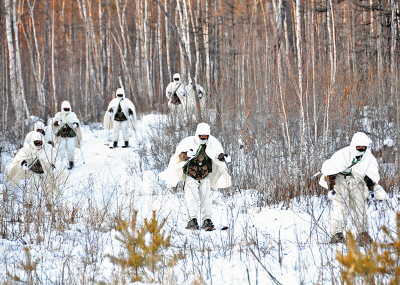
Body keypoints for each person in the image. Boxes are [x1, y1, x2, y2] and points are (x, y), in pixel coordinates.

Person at [159, 123, 232, 230]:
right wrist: (187, 154)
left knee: (206, 198)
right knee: (191, 199)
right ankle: (192, 220)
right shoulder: (187, 142)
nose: (203, 138)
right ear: (197, 134)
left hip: (205, 175)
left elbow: (217, 154)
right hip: (190, 175)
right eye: (201, 136)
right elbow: (179, 156)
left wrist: (224, 157)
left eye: (205, 136)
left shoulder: (212, 143)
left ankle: (207, 220)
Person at [319, 132, 387, 246]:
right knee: (341, 206)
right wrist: (331, 188)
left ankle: (362, 234)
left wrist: (370, 190)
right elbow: (331, 171)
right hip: (340, 179)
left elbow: (369, 176)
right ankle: (337, 235)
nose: (361, 149)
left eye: (363, 147)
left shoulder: (368, 158)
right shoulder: (343, 154)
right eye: (358, 147)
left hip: (357, 181)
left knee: (360, 206)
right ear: (353, 145)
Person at [6, 132, 67, 208]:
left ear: (43, 141)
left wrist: (57, 168)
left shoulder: (48, 148)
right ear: (33, 141)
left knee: (48, 186)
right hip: (33, 170)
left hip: (46, 170)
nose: (38, 144)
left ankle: (49, 203)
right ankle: (29, 203)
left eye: (40, 142)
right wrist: (24, 163)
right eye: (36, 142)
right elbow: (20, 158)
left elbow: (56, 159)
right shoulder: (27, 148)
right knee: (32, 186)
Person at [51, 101, 83, 170]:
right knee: (60, 149)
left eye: (68, 109)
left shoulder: (72, 114)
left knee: (70, 148)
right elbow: (53, 124)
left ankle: (71, 161)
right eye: (65, 109)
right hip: (61, 135)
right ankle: (59, 163)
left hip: (70, 134)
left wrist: (75, 124)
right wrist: (57, 123)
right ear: (62, 108)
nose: (66, 110)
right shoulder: (59, 115)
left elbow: (77, 122)